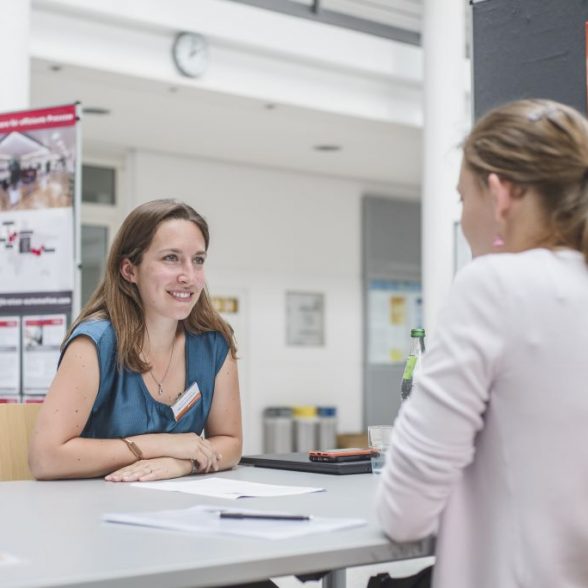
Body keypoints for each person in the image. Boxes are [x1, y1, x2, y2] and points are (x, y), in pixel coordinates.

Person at [376, 99, 588, 588]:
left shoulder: (494, 285)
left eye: (461, 198)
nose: (464, 215)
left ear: (500, 195)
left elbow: (404, 512)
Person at [29, 199, 242, 481]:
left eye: (198, 260)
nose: (189, 276)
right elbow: (45, 459)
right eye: (171, 258)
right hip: (91, 509)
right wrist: (159, 446)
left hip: (177, 509)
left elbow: (230, 442)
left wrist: (181, 464)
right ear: (129, 270)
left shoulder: (213, 343)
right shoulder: (94, 344)